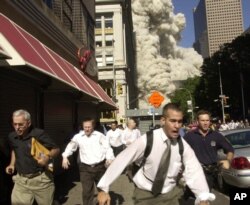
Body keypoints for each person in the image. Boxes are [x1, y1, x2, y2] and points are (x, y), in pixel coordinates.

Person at [97, 103, 215, 205]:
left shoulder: (183, 146)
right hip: (145, 194)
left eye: (180, 122)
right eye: (173, 121)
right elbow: (122, 159)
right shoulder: (148, 140)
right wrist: (104, 188)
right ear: (163, 120)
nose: (177, 126)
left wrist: (203, 197)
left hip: (170, 194)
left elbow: (194, 170)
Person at [5, 109, 60, 205]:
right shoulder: (12, 136)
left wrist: (47, 157)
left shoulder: (39, 134)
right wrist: (11, 164)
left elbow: (56, 149)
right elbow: (15, 149)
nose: (17, 127)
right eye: (15, 124)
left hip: (41, 180)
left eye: (20, 124)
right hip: (21, 181)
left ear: (28, 123)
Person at [62, 117, 115, 205]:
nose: (87, 129)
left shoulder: (99, 135)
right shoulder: (78, 137)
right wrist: (65, 156)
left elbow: (107, 148)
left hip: (100, 167)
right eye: (85, 127)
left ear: (93, 126)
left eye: (89, 127)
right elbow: (71, 146)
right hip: (85, 168)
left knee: (103, 190)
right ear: (82, 127)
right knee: (87, 193)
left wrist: (109, 158)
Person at [184, 110, 234, 191]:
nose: (205, 123)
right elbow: (180, 152)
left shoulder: (216, 135)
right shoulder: (189, 136)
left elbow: (230, 149)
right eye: (202, 120)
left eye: (207, 120)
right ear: (197, 121)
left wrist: (228, 160)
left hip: (213, 173)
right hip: (196, 173)